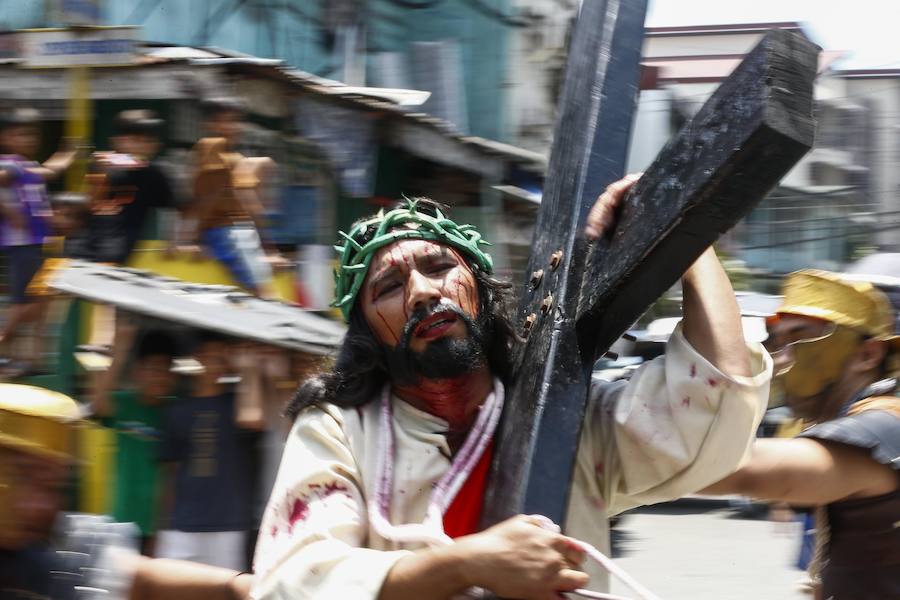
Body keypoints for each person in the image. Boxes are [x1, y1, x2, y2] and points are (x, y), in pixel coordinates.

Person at [251, 176, 773, 599]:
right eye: (389, 287)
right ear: (367, 333)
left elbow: (716, 396)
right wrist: (468, 563)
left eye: (438, 267)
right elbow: (295, 582)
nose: (421, 292)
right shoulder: (340, 430)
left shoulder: (559, 416)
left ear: (479, 291)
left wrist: (684, 236)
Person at [703, 270, 900, 600]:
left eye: (800, 339)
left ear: (867, 355)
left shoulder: (884, 423)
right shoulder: (851, 419)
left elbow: (734, 471)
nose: (782, 358)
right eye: (780, 341)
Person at [0, 382, 254, 600]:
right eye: (22, 476)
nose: (42, 505)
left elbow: (138, 579)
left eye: (53, 486)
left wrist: (241, 587)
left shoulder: (50, 549)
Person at [156, 330, 258, 571]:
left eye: (221, 357)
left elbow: (255, 419)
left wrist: (246, 367)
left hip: (228, 525)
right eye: (210, 356)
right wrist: (162, 525)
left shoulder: (239, 403)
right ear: (197, 357)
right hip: (181, 526)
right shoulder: (177, 409)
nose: (216, 363)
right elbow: (169, 474)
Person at [92, 321, 180, 555]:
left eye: (166, 369)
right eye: (153, 368)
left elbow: (171, 476)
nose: (160, 376)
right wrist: (119, 353)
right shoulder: (124, 404)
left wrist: (160, 531)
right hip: (121, 522)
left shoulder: (176, 411)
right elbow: (98, 405)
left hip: (160, 528)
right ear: (138, 371)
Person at [0, 108, 76, 377]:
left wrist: (69, 153)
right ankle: (5, 342)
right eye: (21, 134)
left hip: (37, 242)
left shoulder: (28, 166)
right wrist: (9, 211)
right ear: (6, 138)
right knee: (28, 302)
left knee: (39, 299)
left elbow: (51, 171)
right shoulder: (8, 163)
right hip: (23, 244)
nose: (29, 139)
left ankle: (30, 358)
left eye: (32, 134)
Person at [182, 98, 283, 297]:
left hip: (238, 229)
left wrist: (269, 247)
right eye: (223, 121)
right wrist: (190, 237)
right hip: (223, 231)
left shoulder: (236, 158)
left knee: (263, 287)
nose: (230, 126)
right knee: (262, 292)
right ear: (209, 125)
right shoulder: (211, 146)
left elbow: (249, 202)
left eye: (235, 121)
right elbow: (208, 197)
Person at [84, 109, 177, 265]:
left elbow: (173, 206)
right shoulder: (102, 164)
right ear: (117, 141)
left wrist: (172, 240)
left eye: (146, 140)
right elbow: (89, 204)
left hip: (120, 254)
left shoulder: (154, 174)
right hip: (86, 247)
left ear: (155, 145)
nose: (140, 145)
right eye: (134, 139)